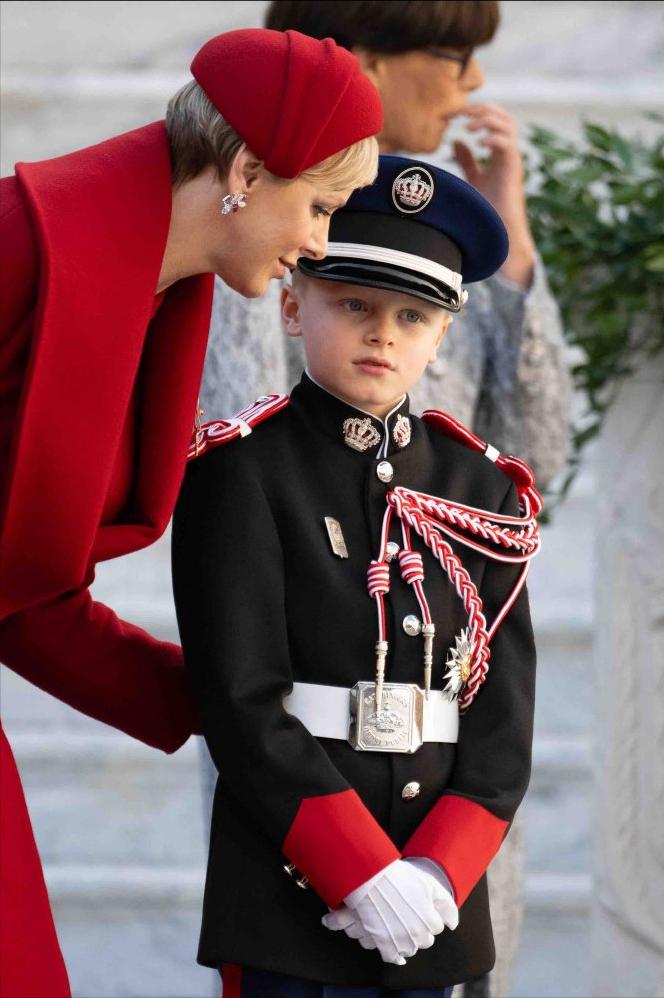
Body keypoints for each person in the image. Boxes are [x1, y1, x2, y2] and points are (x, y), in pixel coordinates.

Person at [0, 27, 382, 997]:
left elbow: (23, 590)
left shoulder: (162, 293)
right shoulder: (17, 241)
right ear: (248, 169)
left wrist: (244, 702)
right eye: (321, 205)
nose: (320, 243)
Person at [197, 7, 571, 994]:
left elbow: (501, 712)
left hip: (438, 854)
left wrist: (436, 867)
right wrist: (357, 867)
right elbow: (241, 691)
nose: (383, 333)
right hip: (293, 845)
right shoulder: (248, 455)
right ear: (295, 299)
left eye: (412, 315)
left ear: (440, 329)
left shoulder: (479, 486)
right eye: (354, 303)